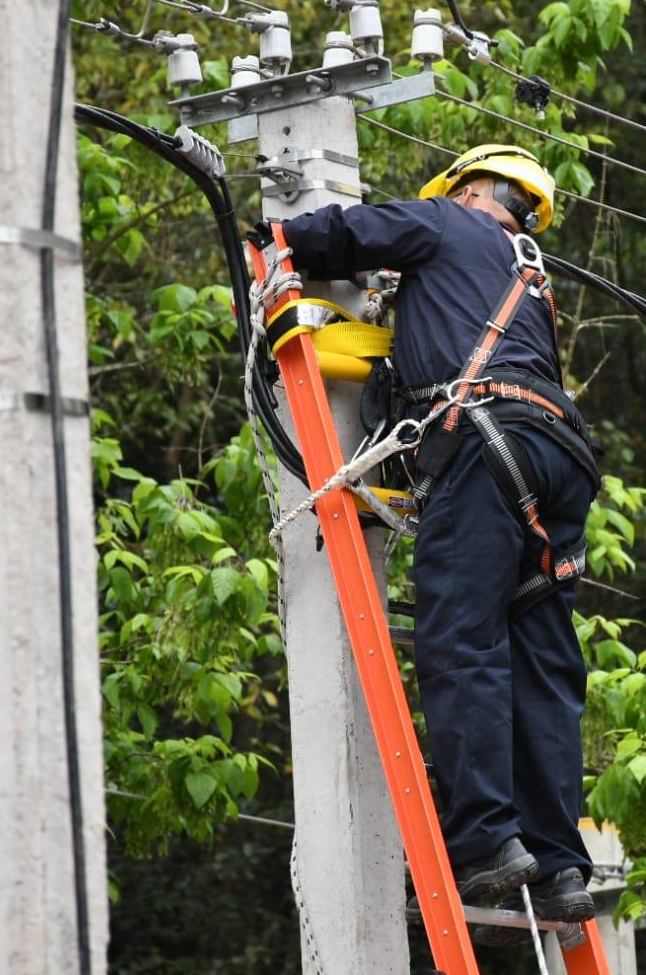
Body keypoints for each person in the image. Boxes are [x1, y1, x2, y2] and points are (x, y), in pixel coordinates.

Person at [260, 144, 600, 944]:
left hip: (480, 445)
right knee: (545, 669)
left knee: (462, 640)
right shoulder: (532, 280)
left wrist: (274, 236)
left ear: (471, 187)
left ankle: (485, 842)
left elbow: (337, 234)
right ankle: (558, 866)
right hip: (558, 461)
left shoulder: (448, 221)